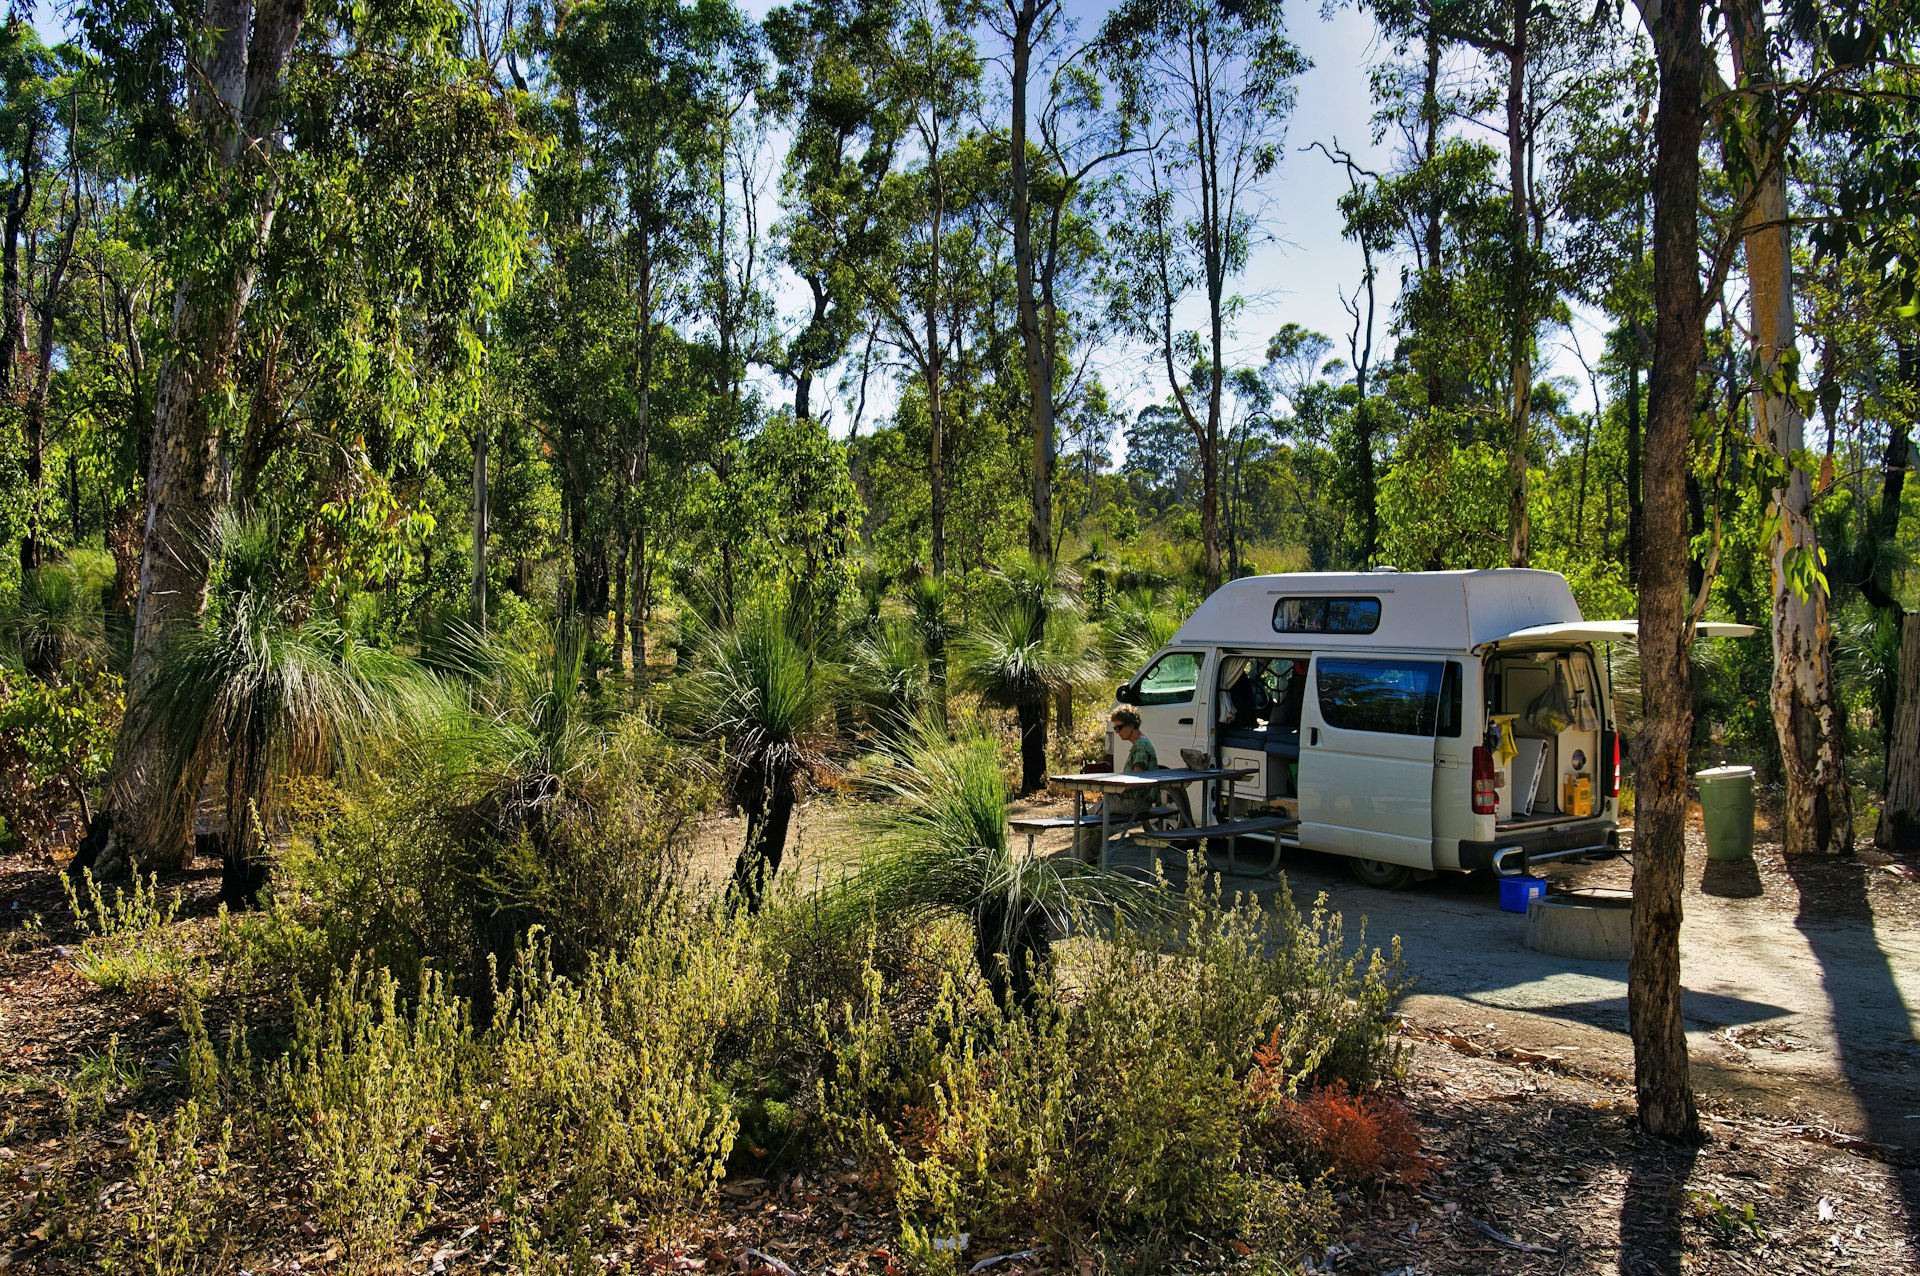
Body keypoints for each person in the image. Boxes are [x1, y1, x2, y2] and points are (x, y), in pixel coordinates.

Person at [1076, 707, 1163, 858]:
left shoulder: (1140, 747)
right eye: (1115, 728)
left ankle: (1076, 860)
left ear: (1131, 724)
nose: (1117, 732)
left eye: (1119, 727)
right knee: (1097, 823)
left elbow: (1137, 780)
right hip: (1142, 802)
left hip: (1134, 802)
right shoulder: (1144, 743)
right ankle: (1089, 859)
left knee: (1086, 817)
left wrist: (1114, 788)